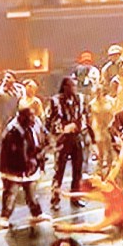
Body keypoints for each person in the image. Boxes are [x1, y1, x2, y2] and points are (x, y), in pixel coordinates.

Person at [0, 104, 50, 229]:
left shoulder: (36, 123)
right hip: (14, 169)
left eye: (33, 115)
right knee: (11, 194)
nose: (33, 118)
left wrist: (41, 155)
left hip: (31, 167)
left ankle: (36, 213)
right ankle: (4, 217)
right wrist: (29, 163)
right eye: (30, 116)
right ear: (21, 117)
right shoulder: (13, 131)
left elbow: (44, 136)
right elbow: (15, 154)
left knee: (31, 193)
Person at [54, 174, 123, 233]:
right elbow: (84, 194)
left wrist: (122, 148)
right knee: (93, 228)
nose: (95, 175)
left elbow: (118, 163)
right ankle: (65, 227)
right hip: (114, 215)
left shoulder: (109, 180)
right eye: (92, 177)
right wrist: (67, 195)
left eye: (94, 175)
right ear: (94, 183)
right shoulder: (100, 195)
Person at [48, 76, 89, 210]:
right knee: (59, 169)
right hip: (63, 138)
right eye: (71, 86)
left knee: (78, 169)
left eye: (75, 86)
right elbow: (49, 121)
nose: (74, 89)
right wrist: (63, 129)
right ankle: (55, 197)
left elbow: (84, 116)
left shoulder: (80, 99)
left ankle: (75, 196)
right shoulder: (55, 101)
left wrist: (81, 129)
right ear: (65, 87)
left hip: (76, 137)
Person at [0, 70, 26, 136]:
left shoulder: (19, 90)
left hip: (19, 119)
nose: (6, 79)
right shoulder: (0, 94)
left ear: (14, 79)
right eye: (5, 77)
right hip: (6, 121)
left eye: (9, 77)